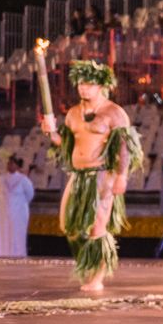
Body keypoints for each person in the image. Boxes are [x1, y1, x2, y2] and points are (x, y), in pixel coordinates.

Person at [42, 60, 143, 291]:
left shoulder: (114, 113)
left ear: (101, 86)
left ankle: (97, 276)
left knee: (98, 227)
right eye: (80, 83)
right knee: (69, 225)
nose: (83, 88)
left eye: (88, 84)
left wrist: (121, 176)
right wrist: (51, 132)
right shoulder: (73, 113)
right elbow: (64, 144)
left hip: (102, 175)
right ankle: (87, 263)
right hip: (78, 175)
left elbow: (123, 147)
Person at [0, 156, 34, 258]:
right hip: (4, 212)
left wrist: (19, 203)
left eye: (13, 163)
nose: (10, 165)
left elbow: (30, 194)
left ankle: (17, 253)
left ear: (17, 166)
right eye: (9, 163)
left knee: (16, 232)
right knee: (3, 230)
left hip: (19, 212)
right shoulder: (1, 179)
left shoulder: (23, 180)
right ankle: (1, 251)